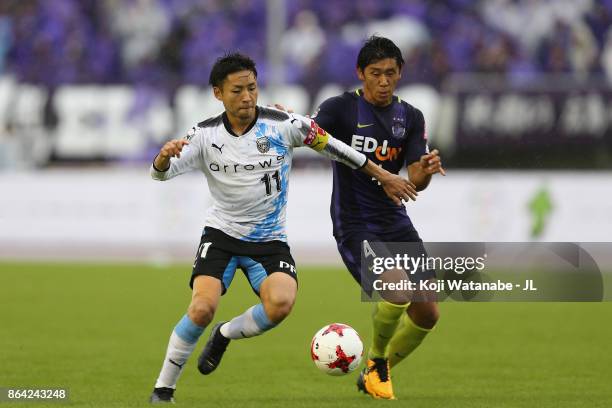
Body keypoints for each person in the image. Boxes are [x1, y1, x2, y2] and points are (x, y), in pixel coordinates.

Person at [148, 52, 417, 403]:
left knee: (281, 305)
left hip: (269, 240)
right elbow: (160, 173)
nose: (247, 97)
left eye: (252, 88)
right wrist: (163, 157)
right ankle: (163, 390)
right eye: (237, 91)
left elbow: (338, 149)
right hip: (222, 236)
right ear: (218, 93)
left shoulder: (284, 125)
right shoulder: (204, 135)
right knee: (201, 308)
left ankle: (225, 334)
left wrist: (383, 175)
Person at [312, 36, 445, 400]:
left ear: (400, 73)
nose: (383, 81)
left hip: (395, 221)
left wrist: (427, 169)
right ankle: (377, 365)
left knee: (428, 311)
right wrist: (286, 118)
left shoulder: (411, 116)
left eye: (390, 73)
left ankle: (371, 372)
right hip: (354, 222)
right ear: (360, 73)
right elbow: (310, 135)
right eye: (375, 74)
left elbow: (415, 179)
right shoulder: (340, 109)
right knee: (397, 288)